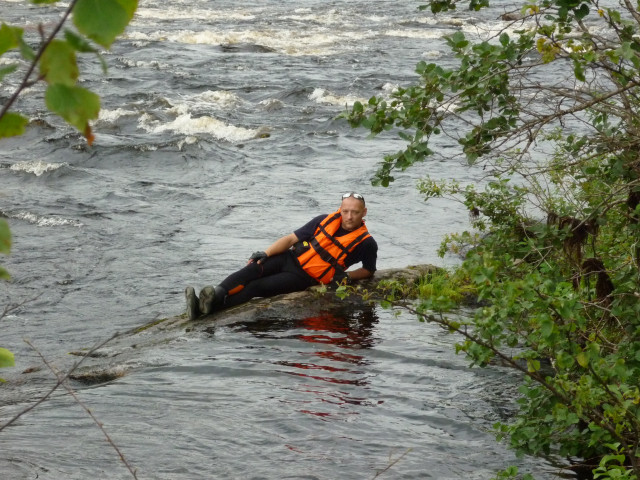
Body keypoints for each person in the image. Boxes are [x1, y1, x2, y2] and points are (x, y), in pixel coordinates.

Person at [184, 192, 378, 320]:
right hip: (288, 258)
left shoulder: (366, 242)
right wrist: (265, 253)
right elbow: (290, 239)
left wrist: (348, 276)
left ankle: (209, 308)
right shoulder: (323, 221)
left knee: (256, 286)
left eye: (355, 212)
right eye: (345, 211)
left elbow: (369, 270)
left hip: (303, 277)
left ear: (364, 212)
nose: (349, 216)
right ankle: (214, 295)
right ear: (340, 210)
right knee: (252, 268)